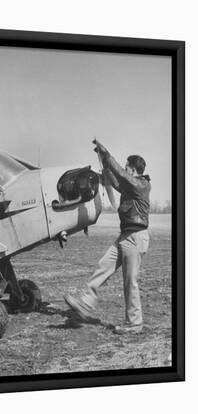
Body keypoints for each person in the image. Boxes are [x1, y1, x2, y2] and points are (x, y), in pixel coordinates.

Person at [64, 139, 151, 335]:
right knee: (103, 265)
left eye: (128, 167)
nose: (125, 170)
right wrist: (103, 160)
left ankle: (134, 324)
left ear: (134, 170)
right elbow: (114, 178)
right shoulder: (130, 186)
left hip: (136, 237)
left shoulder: (141, 185)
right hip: (125, 237)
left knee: (130, 281)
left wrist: (107, 153)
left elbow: (119, 174)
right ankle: (85, 303)